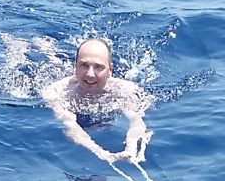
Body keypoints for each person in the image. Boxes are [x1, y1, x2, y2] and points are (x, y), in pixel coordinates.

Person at [42, 39, 152, 167]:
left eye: (98, 67)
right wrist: (103, 154)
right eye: (84, 65)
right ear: (75, 66)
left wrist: (131, 148)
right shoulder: (57, 93)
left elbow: (137, 122)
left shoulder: (124, 91)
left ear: (110, 70)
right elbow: (70, 127)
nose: (90, 74)